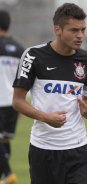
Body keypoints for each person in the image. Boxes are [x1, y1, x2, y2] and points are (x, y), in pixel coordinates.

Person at [12, 3, 87, 184]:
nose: (80, 35)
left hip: (78, 149)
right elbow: (17, 101)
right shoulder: (33, 56)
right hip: (42, 150)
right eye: (74, 30)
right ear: (57, 29)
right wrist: (45, 117)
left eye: (83, 30)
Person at [0, 9, 24, 184]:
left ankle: (8, 173)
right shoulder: (19, 49)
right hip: (13, 102)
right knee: (4, 139)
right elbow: (23, 79)